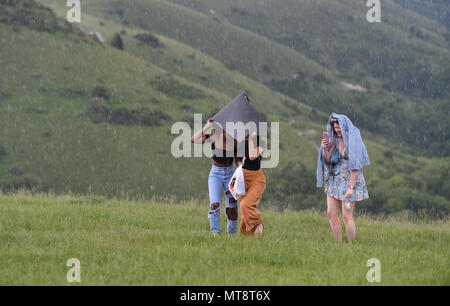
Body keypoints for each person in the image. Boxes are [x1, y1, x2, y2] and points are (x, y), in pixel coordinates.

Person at [316, 113, 370, 244]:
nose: (338, 131)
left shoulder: (354, 140)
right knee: (331, 213)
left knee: (346, 216)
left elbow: (355, 166)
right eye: (335, 129)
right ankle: (338, 244)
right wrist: (324, 148)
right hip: (335, 180)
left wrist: (350, 188)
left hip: (350, 180)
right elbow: (328, 161)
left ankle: (352, 245)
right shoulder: (333, 140)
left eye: (339, 129)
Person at [191, 119, 240, 235]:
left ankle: (232, 234)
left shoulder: (235, 141)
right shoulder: (214, 137)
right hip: (216, 174)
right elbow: (194, 139)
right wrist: (206, 127)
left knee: (232, 205)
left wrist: (241, 166)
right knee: (214, 204)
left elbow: (238, 160)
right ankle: (215, 233)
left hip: (230, 174)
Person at [237, 131, 266, 238]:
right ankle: (245, 238)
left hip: (257, 179)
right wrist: (239, 163)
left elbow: (253, 156)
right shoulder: (240, 142)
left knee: (245, 204)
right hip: (242, 179)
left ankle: (258, 224)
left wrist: (251, 139)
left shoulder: (260, 143)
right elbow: (238, 159)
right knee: (245, 212)